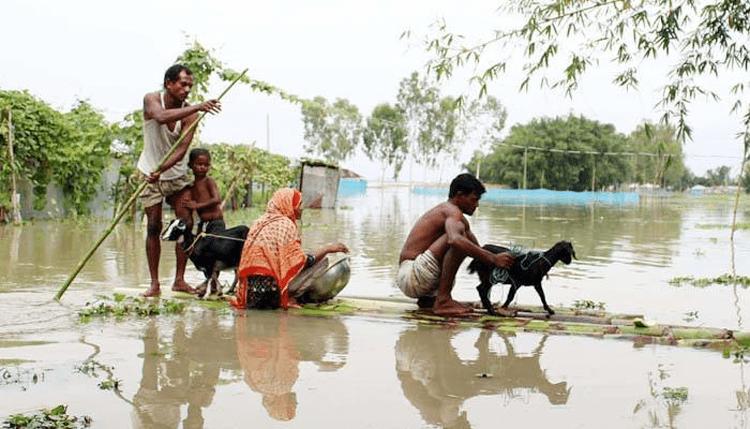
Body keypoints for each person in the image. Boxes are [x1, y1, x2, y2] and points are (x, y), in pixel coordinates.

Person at [138, 64, 221, 297]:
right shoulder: (151, 99)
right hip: (149, 173)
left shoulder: (191, 115)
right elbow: (161, 117)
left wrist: (162, 167)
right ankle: (154, 284)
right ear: (169, 84)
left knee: (186, 223)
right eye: (182, 84)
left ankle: (179, 280)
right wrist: (199, 105)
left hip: (174, 174)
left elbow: (182, 150)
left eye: (190, 86)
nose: (187, 89)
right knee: (154, 226)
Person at [396, 173, 515, 316]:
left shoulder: (458, 220)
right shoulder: (451, 211)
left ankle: (431, 300)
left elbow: (479, 252)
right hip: (412, 276)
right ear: (459, 196)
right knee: (459, 241)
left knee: (467, 244)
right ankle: (443, 300)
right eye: (474, 199)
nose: (477, 205)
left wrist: (515, 262)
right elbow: (454, 240)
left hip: (420, 280)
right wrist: (494, 259)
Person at [231, 188, 349, 310]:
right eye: (299, 204)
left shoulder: (259, 223)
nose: (301, 208)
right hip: (271, 295)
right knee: (322, 262)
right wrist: (328, 249)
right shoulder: (286, 225)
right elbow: (304, 262)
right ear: (287, 204)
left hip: (250, 294)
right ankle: (288, 297)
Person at [186, 148, 224, 234]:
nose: (203, 167)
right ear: (190, 165)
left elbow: (216, 199)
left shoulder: (208, 181)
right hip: (203, 223)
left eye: (206, 165)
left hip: (216, 222)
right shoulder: (192, 185)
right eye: (199, 164)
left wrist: (197, 206)